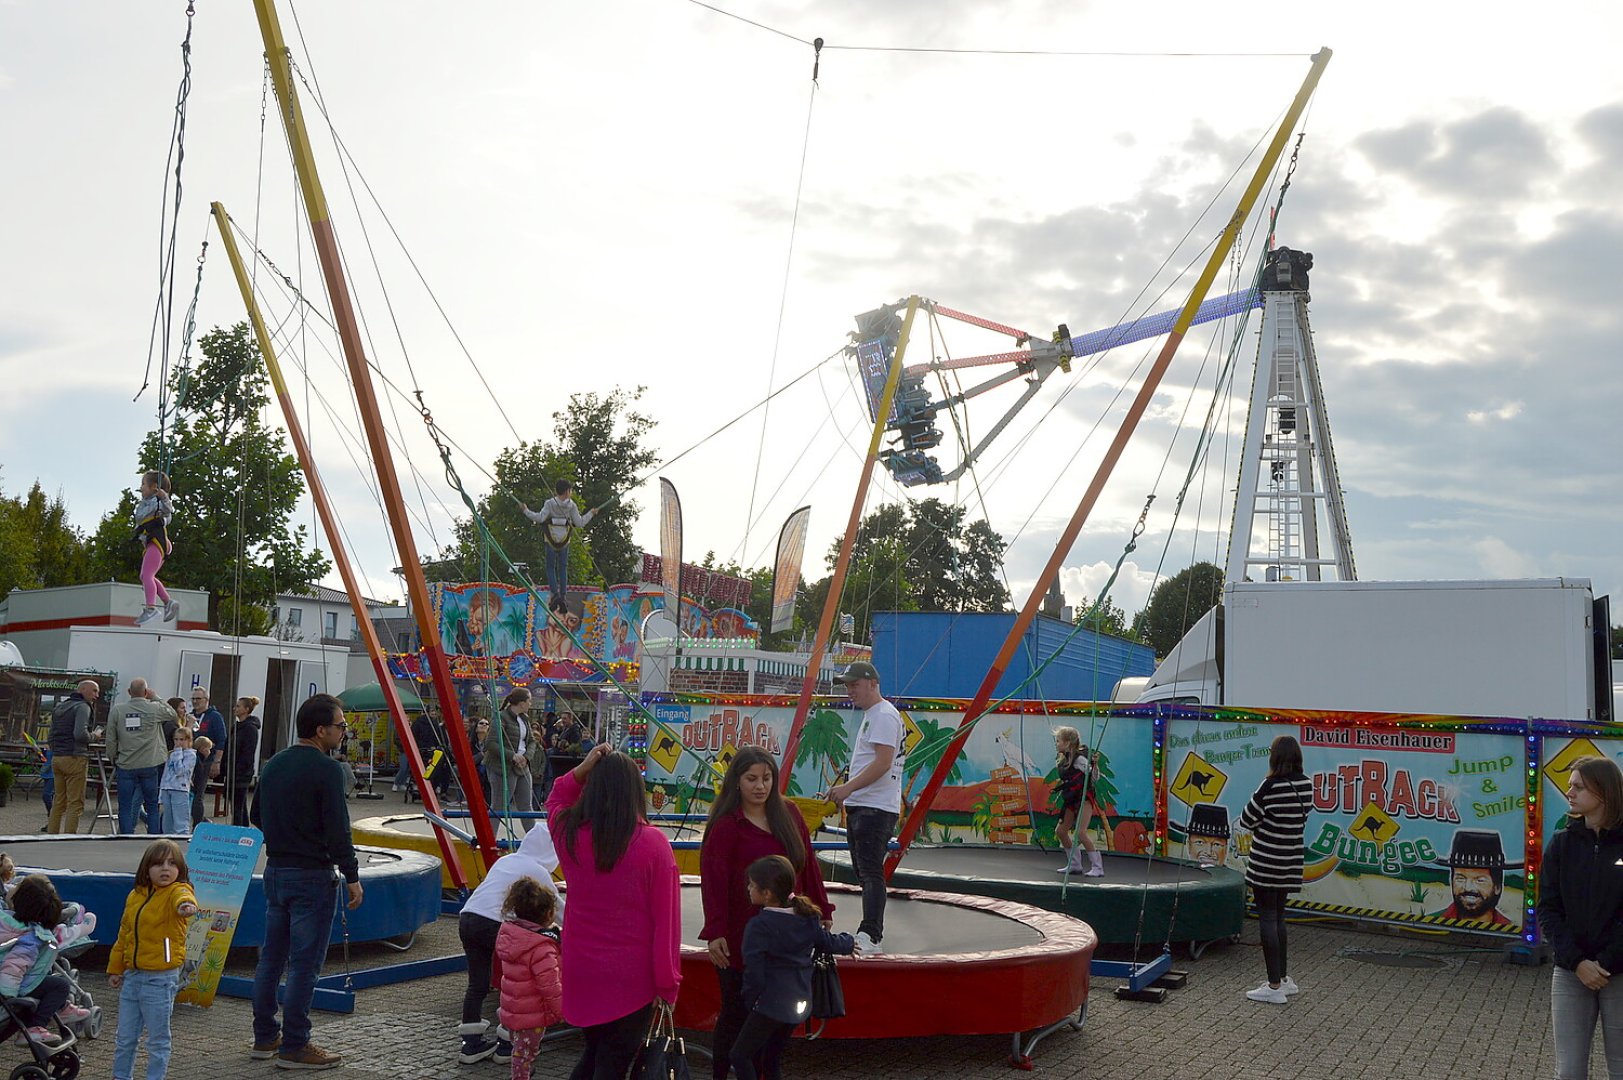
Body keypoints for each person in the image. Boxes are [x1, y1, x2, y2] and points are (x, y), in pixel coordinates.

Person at [547, 743, 680, 1080]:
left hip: (581, 968)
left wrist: (581, 769)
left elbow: (556, 798)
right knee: (612, 1062)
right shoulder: (653, 845)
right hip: (630, 977)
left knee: (594, 1053)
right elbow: (667, 922)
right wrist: (668, 984)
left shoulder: (569, 833)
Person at [700, 746, 834, 1080]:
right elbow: (712, 882)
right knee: (734, 1016)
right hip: (741, 938)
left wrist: (822, 908)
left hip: (787, 938)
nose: (760, 786)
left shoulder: (788, 813)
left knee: (776, 1025)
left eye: (767, 778)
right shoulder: (727, 826)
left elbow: (808, 865)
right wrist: (715, 931)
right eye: (751, 779)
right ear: (737, 782)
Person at [249, 693, 363, 1071]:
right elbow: (338, 830)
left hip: (277, 870)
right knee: (304, 964)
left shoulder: (274, 764)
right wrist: (351, 875)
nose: (344, 732)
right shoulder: (327, 770)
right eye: (341, 726)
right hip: (313, 875)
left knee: (271, 959)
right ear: (321, 730)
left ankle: (265, 1036)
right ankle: (296, 1044)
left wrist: (284, 837)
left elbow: (255, 813)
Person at [733, 855, 858, 1080]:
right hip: (799, 1000)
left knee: (739, 1055)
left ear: (767, 893)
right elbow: (826, 941)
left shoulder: (759, 926)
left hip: (769, 1003)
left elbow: (754, 972)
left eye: (752, 885)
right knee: (772, 1057)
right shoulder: (806, 918)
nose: (748, 889)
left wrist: (751, 1000)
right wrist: (848, 943)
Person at [1539, 756, 1623, 1079]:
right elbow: (1547, 908)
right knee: (1570, 1071)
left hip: (1617, 973)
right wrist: (1577, 962)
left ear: (1603, 792)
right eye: (1569, 785)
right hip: (1571, 973)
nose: (1569, 792)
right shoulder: (1562, 844)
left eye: (1578, 786)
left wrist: (1605, 962)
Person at [455, 824, 563, 1064]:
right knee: (514, 984)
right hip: (496, 925)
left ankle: (470, 1045)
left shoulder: (507, 860)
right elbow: (556, 910)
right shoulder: (538, 871)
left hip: (468, 917)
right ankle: (507, 1044)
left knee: (477, 984)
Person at [825, 660, 904, 955]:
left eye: (854, 685)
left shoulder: (884, 715)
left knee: (870, 871)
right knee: (863, 871)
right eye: (847, 686)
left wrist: (847, 788)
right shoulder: (874, 715)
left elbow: (883, 762)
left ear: (872, 683)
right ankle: (869, 931)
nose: (850, 691)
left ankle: (871, 933)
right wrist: (847, 792)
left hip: (875, 806)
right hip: (864, 803)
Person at [107, 839, 198, 1080]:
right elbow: (124, 935)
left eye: (171, 863)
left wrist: (186, 906)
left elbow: (184, 898)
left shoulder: (177, 892)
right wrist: (115, 969)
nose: (165, 869)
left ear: (180, 869)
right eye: (158, 864)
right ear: (146, 868)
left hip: (160, 979)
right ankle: (120, 1076)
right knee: (125, 1038)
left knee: (158, 1041)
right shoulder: (135, 896)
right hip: (132, 978)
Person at [1236, 734, 1312, 1005]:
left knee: (1267, 919)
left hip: (1266, 863)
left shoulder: (1269, 786)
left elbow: (1246, 819)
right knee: (1279, 918)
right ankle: (1285, 978)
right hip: (1290, 862)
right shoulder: (1306, 785)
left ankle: (1273, 986)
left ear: (1274, 757)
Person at [0, 874, 82, 1048]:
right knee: (60, 986)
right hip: (12, 988)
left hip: (11, 985)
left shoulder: (7, 922)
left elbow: (13, 966)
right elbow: (13, 966)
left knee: (53, 984)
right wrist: (8, 996)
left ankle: (56, 1010)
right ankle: (36, 1025)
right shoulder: (30, 937)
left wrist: (8, 991)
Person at [495, 877, 564, 1080]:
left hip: (513, 1008)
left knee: (520, 1049)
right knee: (525, 1054)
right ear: (548, 913)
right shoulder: (541, 947)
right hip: (531, 1012)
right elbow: (549, 985)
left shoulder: (513, 936)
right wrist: (561, 1011)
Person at [106, 678, 176, 835]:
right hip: (149, 763)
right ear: (146, 692)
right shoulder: (154, 708)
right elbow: (172, 713)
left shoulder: (118, 710)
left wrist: (113, 757)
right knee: (152, 805)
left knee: (124, 805)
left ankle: (125, 835)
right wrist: (155, 697)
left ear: (129, 692)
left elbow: (110, 738)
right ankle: (152, 837)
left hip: (126, 764)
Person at [519, 479, 596, 603]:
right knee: (563, 568)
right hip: (564, 540)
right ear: (567, 491)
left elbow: (540, 518)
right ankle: (563, 594)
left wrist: (525, 511)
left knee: (550, 567)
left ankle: (555, 593)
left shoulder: (550, 503)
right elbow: (580, 523)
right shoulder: (572, 506)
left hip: (550, 538)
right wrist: (591, 513)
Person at [46, 679, 102, 834]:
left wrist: (56, 750)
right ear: (82, 689)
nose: (97, 695)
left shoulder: (60, 706)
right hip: (75, 757)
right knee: (75, 803)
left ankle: (52, 835)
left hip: (57, 758)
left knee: (58, 801)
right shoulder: (83, 707)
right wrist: (95, 736)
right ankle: (68, 839)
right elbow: (79, 734)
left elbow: (50, 736)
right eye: (94, 691)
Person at [1429, 829, 1519, 925]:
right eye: (1460, 878)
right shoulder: (1431, 922)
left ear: (1497, 886)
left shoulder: (1510, 926)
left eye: (1479, 880)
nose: (1468, 887)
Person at [1052, 726, 1104, 876]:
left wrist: (1094, 765)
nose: (1056, 744)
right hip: (1071, 798)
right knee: (1061, 831)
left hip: (1083, 798)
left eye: (1058, 741)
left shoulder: (1079, 759)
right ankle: (1075, 864)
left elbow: (1094, 777)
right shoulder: (1064, 760)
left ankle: (1098, 867)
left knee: (1080, 833)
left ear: (1068, 743)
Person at [132, 470, 178, 627]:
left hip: (157, 543)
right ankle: (168, 602)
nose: (141, 488)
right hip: (153, 543)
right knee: (147, 576)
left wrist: (163, 497)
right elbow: (140, 518)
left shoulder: (159, 504)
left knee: (146, 576)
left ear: (154, 487)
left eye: (143, 484)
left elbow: (168, 511)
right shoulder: (147, 504)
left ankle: (151, 608)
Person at [486, 688, 536, 833]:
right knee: (499, 807)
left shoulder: (524, 719)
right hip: (503, 768)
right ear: (521, 703)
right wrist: (512, 756)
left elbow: (532, 741)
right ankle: (489, 840)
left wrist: (526, 757)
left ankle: (533, 841)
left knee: (526, 806)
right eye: (529, 701)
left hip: (522, 767)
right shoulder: (501, 717)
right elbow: (491, 743)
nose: (530, 704)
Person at [189, 687, 226, 827]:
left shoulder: (214, 716)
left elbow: (222, 740)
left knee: (198, 794)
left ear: (206, 700)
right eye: (193, 698)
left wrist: (217, 761)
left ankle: (197, 826)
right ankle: (201, 820)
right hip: (190, 758)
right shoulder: (190, 716)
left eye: (198, 699)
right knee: (189, 793)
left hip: (206, 760)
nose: (195, 702)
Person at [225, 696, 263, 828]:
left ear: (246, 709)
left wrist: (240, 770)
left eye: (238, 706)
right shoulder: (235, 727)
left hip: (241, 774)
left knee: (238, 806)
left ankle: (239, 831)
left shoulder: (250, 729)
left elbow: (248, 752)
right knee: (236, 807)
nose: (235, 708)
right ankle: (242, 829)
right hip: (231, 772)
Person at [158, 727, 199, 838]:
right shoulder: (172, 754)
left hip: (180, 789)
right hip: (167, 788)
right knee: (167, 821)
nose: (178, 742)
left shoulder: (191, 755)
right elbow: (166, 774)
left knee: (180, 819)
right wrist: (161, 792)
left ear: (189, 740)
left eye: (182, 740)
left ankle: (182, 841)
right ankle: (167, 840)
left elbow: (179, 771)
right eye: (176, 740)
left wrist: (178, 753)